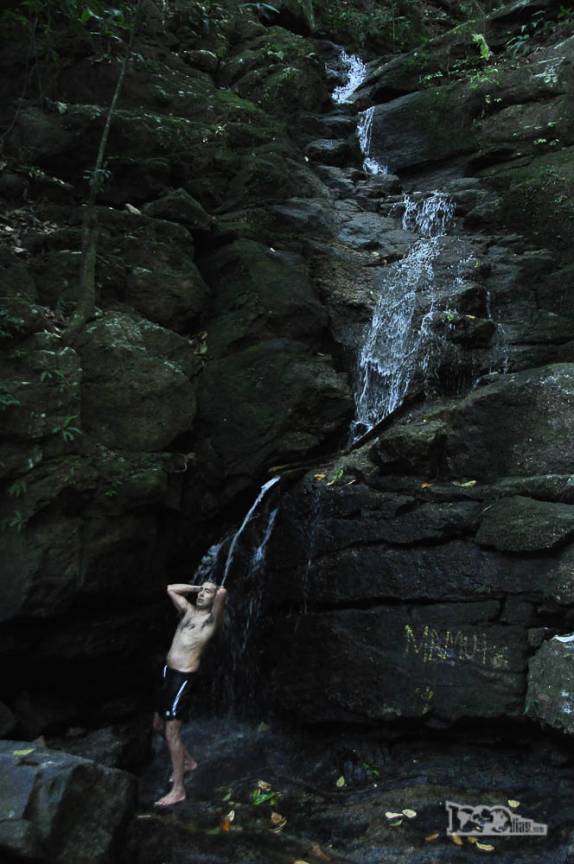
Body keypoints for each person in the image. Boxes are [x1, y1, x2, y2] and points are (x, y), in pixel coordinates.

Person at [153, 581, 227, 807]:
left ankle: (179, 790)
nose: (203, 594)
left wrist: (215, 592)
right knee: (157, 725)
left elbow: (222, 592)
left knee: (171, 730)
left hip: (183, 678)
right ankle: (188, 762)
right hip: (168, 673)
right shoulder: (187, 611)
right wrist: (198, 588)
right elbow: (170, 589)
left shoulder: (211, 621)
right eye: (201, 591)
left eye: (207, 592)